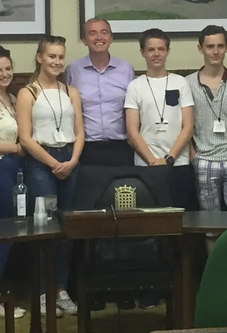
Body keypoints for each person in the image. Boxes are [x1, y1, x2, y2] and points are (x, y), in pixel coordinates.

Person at [17, 35, 84, 317]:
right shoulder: (27, 93)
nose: (57, 61)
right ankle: (45, 290)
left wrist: (71, 160)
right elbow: (25, 137)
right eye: (51, 56)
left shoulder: (71, 92)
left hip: (70, 158)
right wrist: (53, 163)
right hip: (42, 162)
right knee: (45, 228)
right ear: (40, 58)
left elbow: (80, 133)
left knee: (67, 228)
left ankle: (61, 290)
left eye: (60, 57)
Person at [186, 25, 227, 212]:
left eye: (220, 46)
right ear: (201, 49)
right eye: (210, 47)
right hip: (204, 159)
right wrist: (194, 156)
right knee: (209, 223)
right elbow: (184, 124)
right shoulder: (188, 83)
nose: (215, 52)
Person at [125, 28, 194, 209]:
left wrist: (169, 158)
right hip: (146, 165)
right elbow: (132, 130)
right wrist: (152, 161)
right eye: (151, 49)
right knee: (149, 218)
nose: (156, 54)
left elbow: (188, 126)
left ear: (167, 51)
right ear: (143, 53)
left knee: (180, 217)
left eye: (161, 49)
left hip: (177, 163)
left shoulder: (181, 83)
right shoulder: (135, 86)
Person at [65, 18, 135, 166]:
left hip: (121, 146)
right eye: (92, 33)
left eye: (104, 32)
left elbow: (135, 108)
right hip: (86, 147)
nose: (99, 37)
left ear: (111, 38)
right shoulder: (73, 70)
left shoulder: (126, 69)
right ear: (84, 40)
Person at [0, 46, 27, 319]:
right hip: (1, 168)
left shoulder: (12, 97)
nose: (5, 74)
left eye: (8, 69)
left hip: (15, 171)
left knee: (11, 233)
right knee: (3, 233)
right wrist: (14, 148)